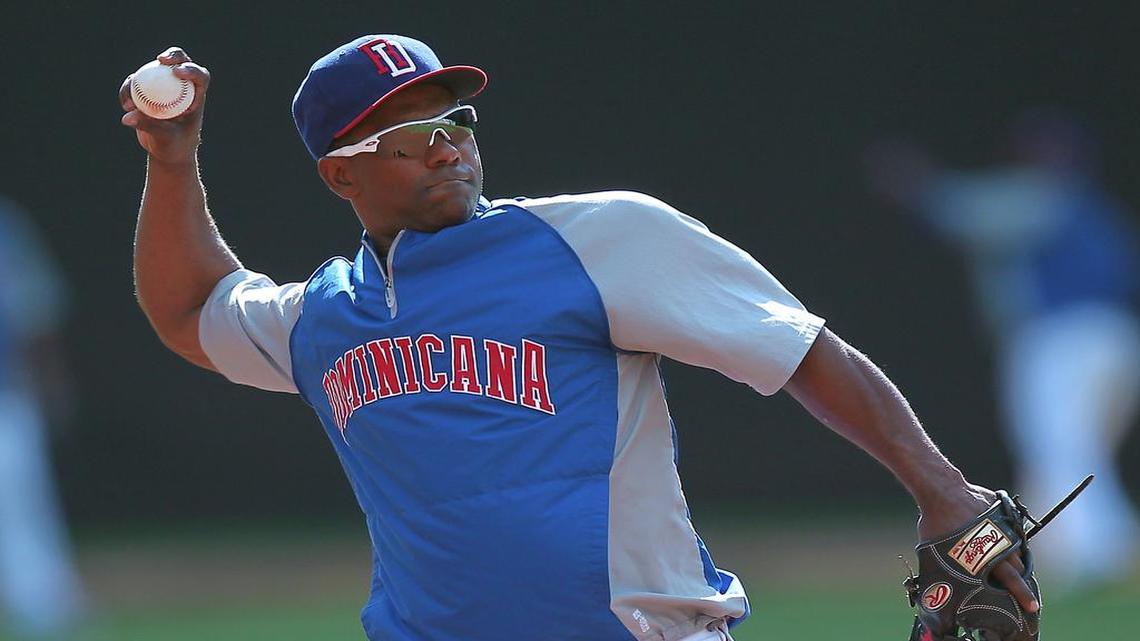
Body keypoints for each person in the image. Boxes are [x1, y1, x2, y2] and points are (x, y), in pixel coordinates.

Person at [119, 36, 1040, 641]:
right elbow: (189, 310)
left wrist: (944, 492)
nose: (448, 146)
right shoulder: (324, 316)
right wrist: (172, 159)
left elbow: (800, 349)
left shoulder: (598, 238)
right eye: (412, 133)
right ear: (340, 173)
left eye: (457, 120)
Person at [865, 110, 1140, 593]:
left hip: (1064, 338)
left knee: (1058, 445)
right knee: (1075, 448)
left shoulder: (1042, 197)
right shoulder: (1095, 212)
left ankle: (1093, 552)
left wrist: (917, 184)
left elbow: (966, 213)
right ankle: (1093, 547)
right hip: (1114, 338)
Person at [0, 197, 85, 639]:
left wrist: (51, 381)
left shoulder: (4, 228)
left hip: (5, 399)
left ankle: (46, 618)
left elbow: (37, 310)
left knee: (22, 519)